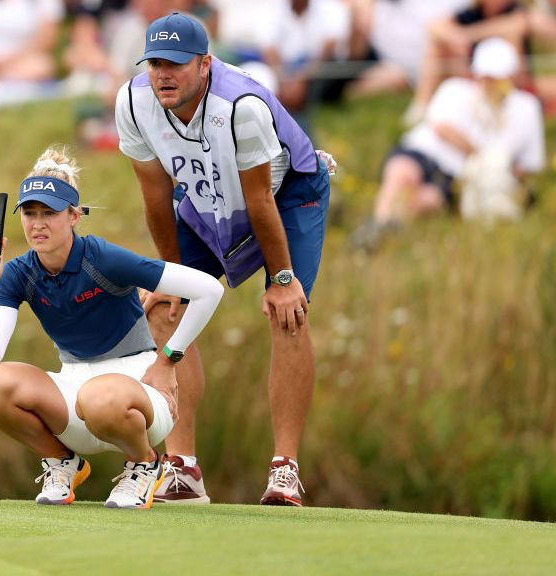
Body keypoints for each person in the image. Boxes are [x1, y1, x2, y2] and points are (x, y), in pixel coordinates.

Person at [115, 12, 333, 506]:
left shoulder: (242, 106)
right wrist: (169, 276)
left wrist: (281, 279)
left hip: (287, 193)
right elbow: (154, 193)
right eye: (154, 64)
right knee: (164, 307)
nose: (163, 74)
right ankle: (182, 469)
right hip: (206, 199)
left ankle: (285, 469)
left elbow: (258, 201)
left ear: (205, 64)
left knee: (289, 313)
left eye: (175, 64)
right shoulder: (133, 101)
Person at [0, 146, 224, 509]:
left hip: (140, 393)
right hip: (74, 397)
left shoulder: (101, 257)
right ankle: (62, 462)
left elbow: (208, 290)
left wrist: (168, 362)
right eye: (29, 212)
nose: (37, 224)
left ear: (74, 216)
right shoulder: (18, 273)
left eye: (49, 213)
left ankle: (145, 464)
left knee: (100, 395)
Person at [352, 37, 544, 248]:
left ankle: (378, 237)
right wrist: (484, 156)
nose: (490, 83)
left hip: (457, 177)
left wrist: (500, 177)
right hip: (423, 153)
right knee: (401, 176)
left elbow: (528, 164)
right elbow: (442, 128)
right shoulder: (455, 89)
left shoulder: (526, 108)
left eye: (496, 78)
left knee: (425, 201)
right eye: (486, 76)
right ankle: (378, 230)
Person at [404, 0, 530, 126]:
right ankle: (421, 106)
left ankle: (505, 103)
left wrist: (468, 34)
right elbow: (433, 26)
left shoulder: (515, 10)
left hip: (508, 80)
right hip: (473, 76)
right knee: (437, 45)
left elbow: (517, 24)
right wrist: (455, 38)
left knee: (511, 34)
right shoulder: (471, 13)